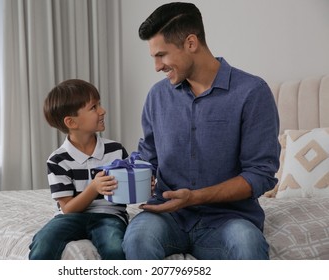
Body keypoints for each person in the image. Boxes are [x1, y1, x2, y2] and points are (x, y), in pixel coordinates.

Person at [122, 2, 281, 260]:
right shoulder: (157, 97)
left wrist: (194, 197)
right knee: (137, 238)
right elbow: (148, 158)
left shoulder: (252, 93)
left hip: (229, 218)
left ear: (191, 43)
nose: (157, 66)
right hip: (167, 216)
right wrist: (124, 177)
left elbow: (260, 174)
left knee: (247, 244)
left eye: (161, 55)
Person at [29, 79, 128, 260]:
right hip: (71, 218)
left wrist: (145, 184)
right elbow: (68, 208)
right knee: (42, 245)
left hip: (109, 216)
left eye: (99, 104)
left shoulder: (116, 150)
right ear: (71, 122)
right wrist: (93, 188)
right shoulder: (58, 160)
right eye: (94, 107)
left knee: (115, 248)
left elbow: (128, 191)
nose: (102, 111)